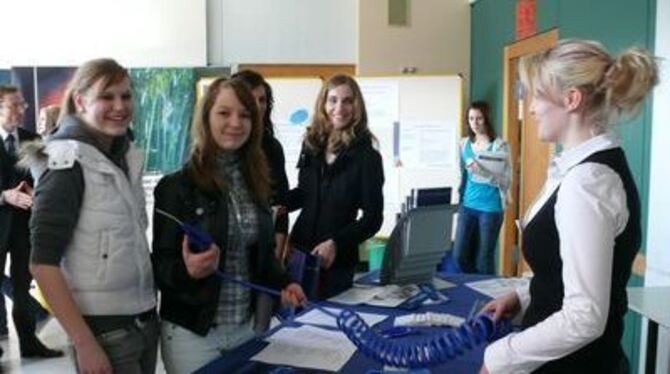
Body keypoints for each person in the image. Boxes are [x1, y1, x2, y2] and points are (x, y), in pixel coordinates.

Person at [481, 39, 658, 373]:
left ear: (571, 99)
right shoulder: (581, 171)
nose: (530, 108)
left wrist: (499, 359)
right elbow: (563, 274)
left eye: (536, 95)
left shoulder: (587, 183)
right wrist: (522, 297)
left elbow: (584, 316)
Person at [152, 76, 306, 374]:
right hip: (193, 335)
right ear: (206, 117)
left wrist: (286, 282)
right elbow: (160, 266)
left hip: (247, 329)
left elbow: (262, 257)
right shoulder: (175, 187)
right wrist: (188, 271)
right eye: (224, 113)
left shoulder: (258, 182)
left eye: (245, 115)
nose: (235, 122)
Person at [29, 58, 158, 373]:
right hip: (104, 332)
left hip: (143, 318)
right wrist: (84, 342)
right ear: (80, 101)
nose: (119, 106)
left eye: (126, 96)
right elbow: (42, 264)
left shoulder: (124, 154)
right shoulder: (66, 160)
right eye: (107, 96)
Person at [288, 74, 384, 299]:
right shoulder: (311, 144)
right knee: (294, 327)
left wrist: (336, 243)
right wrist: (277, 202)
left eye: (347, 101)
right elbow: (304, 194)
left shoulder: (367, 157)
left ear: (357, 106)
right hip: (299, 253)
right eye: (333, 100)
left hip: (336, 264)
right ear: (323, 104)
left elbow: (373, 219)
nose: (339, 107)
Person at [0, 84, 62, 358]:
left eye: (22, 104)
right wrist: (4, 195)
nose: (22, 110)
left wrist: (38, 193)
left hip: (26, 227)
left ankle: (29, 342)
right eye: (14, 105)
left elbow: (46, 178)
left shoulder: (32, 139)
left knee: (23, 286)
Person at [232, 70, 290, 260]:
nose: (258, 106)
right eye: (251, 99)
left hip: (265, 247)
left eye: (262, 100)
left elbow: (281, 207)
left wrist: (276, 261)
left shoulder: (272, 148)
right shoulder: (225, 146)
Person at [452, 101, 511, 274]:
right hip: (467, 206)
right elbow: (460, 175)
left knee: (484, 259)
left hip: (491, 208)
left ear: (486, 120)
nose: (474, 123)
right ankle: (472, 285)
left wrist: (485, 173)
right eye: (471, 119)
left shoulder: (500, 145)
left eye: (479, 119)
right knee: (459, 256)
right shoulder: (464, 144)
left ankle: (486, 295)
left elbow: (506, 182)